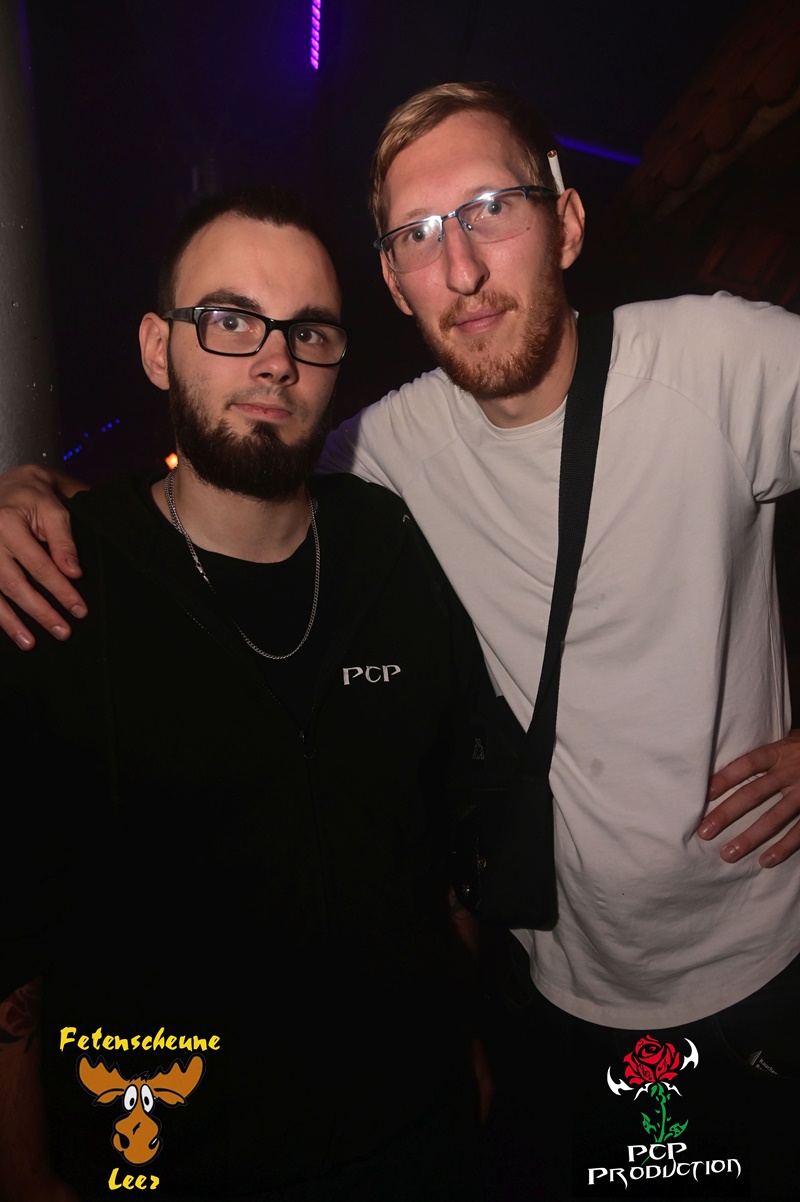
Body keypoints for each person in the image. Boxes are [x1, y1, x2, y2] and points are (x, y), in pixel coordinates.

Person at [1, 80, 800, 1196]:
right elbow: (232, 471)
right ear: (391, 280)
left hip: (758, 963)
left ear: (567, 224)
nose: (460, 268)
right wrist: (38, 495)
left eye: (492, 209)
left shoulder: (721, 362)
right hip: (545, 988)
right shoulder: (388, 449)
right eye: (419, 234)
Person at [0, 185, 497, 1202]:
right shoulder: (57, 578)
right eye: (230, 320)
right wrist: (20, 1161)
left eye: (308, 331)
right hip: (162, 1156)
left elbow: (442, 841)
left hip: (417, 1138)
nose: (275, 359)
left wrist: (470, 1045)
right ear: (158, 348)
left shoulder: (394, 547)